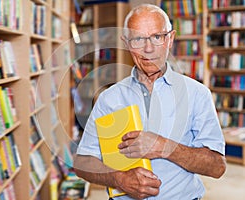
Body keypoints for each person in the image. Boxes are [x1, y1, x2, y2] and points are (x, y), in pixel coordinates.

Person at [73, 4, 226, 200]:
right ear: (126, 42)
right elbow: (83, 162)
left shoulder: (197, 94)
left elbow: (217, 166)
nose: (148, 48)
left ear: (170, 39)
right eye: (138, 38)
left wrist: (164, 147)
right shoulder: (109, 99)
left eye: (157, 37)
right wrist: (120, 179)